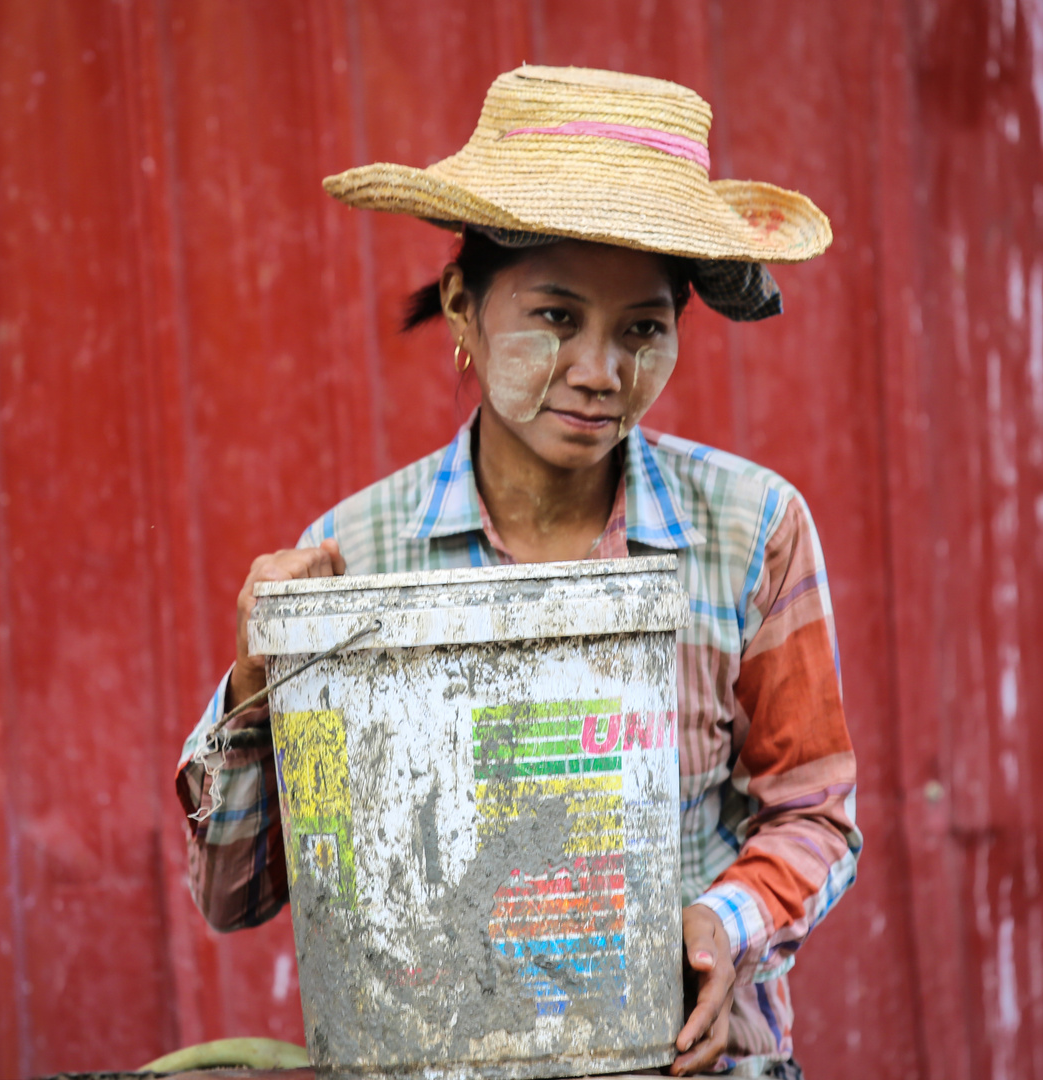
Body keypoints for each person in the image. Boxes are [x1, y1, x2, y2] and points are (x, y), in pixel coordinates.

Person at [175, 65, 859, 1079]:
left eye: (641, 329)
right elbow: (237, 894)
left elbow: (814, 813)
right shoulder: (351, 560)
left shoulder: (751, 529)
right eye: (554, 317)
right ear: (463, 305)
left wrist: (724, 922)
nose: (598, 370)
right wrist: (256, 691)